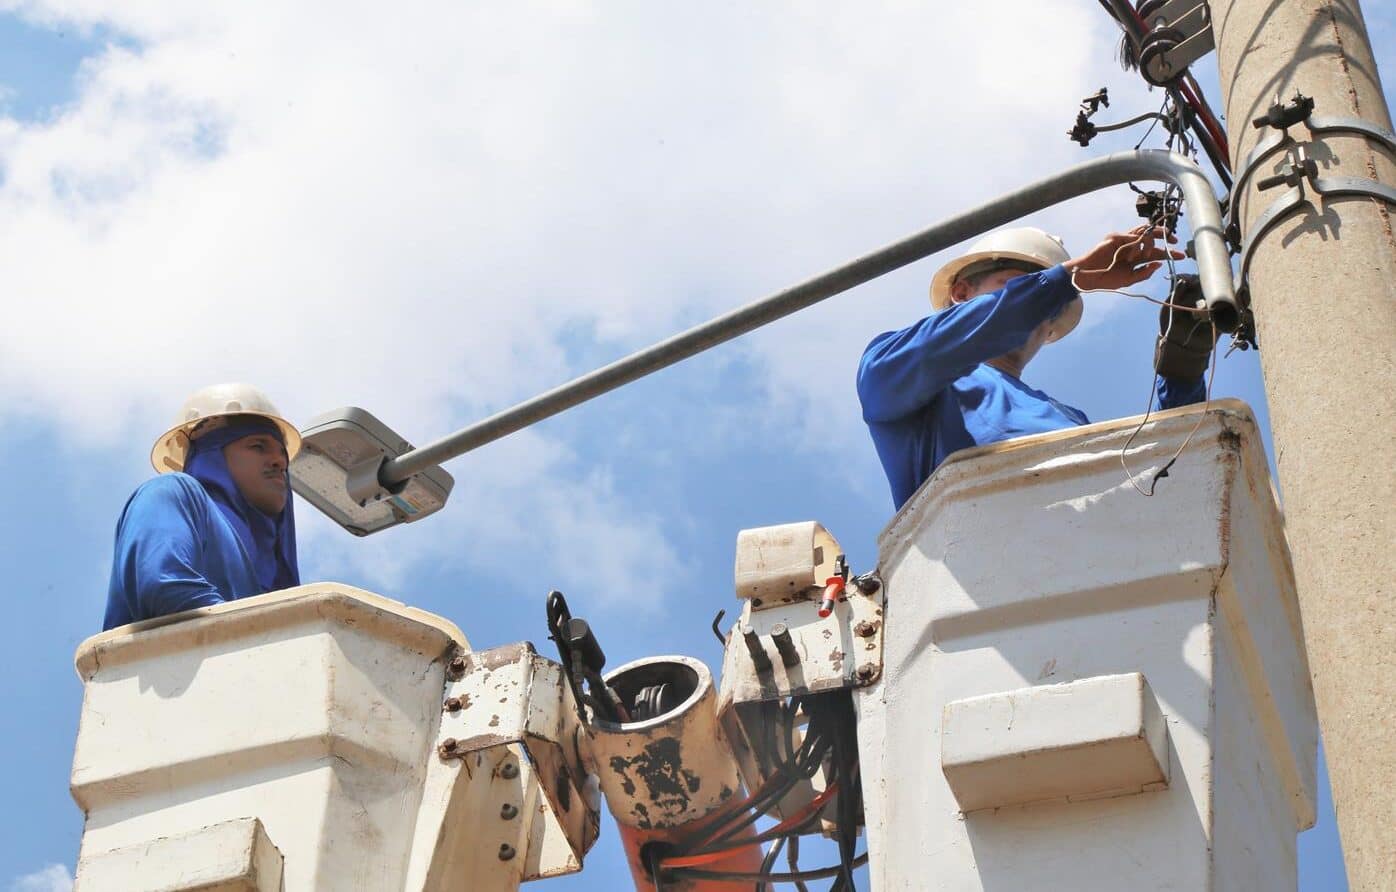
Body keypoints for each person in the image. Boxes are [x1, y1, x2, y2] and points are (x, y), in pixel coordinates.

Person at [857, 225, 1215, 510]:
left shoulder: (1069, 420)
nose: (1040, 312)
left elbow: (1158, 485)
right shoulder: (901, 370)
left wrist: (1182, 370)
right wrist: (1069, 280)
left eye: (1051, 309)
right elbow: (930, 352)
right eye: (1018, 287)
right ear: (962, 293)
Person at [103, 383, 303, 630]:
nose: (279, 461)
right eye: (257, 446)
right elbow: (164, 587)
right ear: (212, 453)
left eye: (282, 454)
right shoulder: (172, 494)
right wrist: (251, 636)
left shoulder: (274, 568)